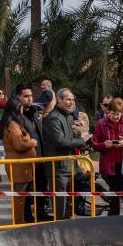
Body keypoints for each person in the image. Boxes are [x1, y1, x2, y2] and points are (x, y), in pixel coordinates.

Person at [43, 88, 90, 219]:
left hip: (70, 167)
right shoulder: (53, 118)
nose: (71, 103)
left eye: (73, 100)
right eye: (68, 99)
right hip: (58, 169)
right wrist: (81, 141)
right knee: (60, 207)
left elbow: (70, 136)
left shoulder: (68, 116)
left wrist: (84, 138)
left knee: (69, 206)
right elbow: (61, 141)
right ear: (59, 100)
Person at [92, 98, 123, 215]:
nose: (115, 116)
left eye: (118, 114)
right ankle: (113, 219)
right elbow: (94, 144)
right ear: (108, 112)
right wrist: (104, 144)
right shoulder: (101, 123)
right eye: (112, 113)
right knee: (113, 193)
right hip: (109, 164)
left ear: (122, 112)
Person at [14, 83, 53, 221]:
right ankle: (25, 216)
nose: (29, 99)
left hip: (40, 157)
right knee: (26, 189)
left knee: (41, 186)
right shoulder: (15, 115)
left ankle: (40, 213)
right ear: (18, 97)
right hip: (26, 159)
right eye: (26, 96)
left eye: (31, 96)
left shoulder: (35, 112)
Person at [0, 98, 37, 224]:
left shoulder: (12, 123)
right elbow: (19, 145)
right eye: (21, 107)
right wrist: (32, 142)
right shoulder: (13, 125)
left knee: (21, 196)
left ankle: (20, 220)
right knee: (19, 197)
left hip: (22, 166)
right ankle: (19, 222)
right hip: (18, 167)